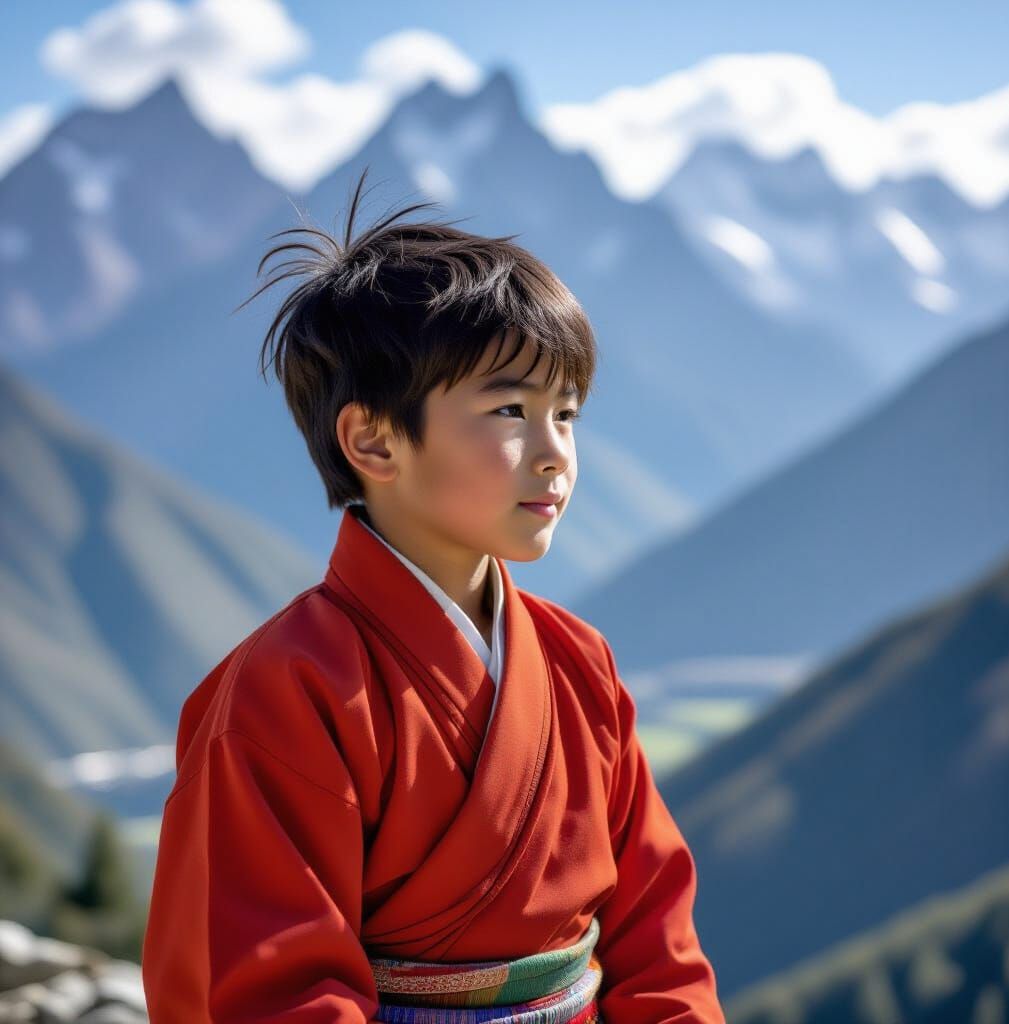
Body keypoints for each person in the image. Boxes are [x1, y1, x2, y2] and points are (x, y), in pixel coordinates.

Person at [141, 166, 726, 1024]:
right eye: (510, 411)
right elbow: (280, 993)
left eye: (567, 413)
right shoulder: (285, 691)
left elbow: (657, 944)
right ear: (374, 441)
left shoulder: (579, 663)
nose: (555, 453)